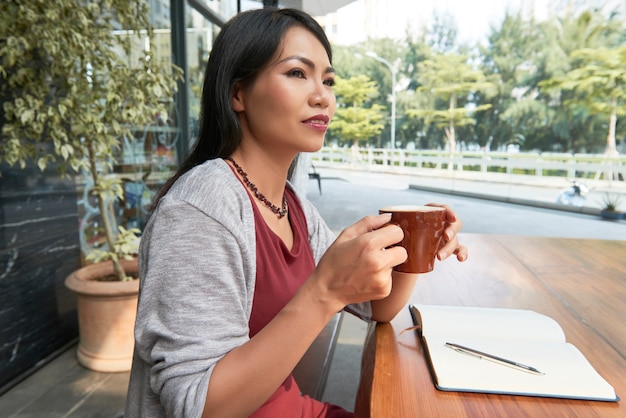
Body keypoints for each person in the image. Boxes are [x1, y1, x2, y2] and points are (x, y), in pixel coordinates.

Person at [124, 7, 468, 418]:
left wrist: (417, 247)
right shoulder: (200, 210)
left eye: (328, 80)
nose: (323, 95)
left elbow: (377, 308)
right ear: (238, 94)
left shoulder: (292, 206)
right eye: (297, 73)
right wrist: (324, 291)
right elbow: (200, 405)